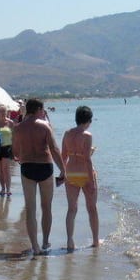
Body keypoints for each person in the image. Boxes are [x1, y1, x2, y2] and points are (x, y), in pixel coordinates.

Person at [11, 98, 65, 255]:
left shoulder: (18, 128)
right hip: (45, 167)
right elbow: (54, 149)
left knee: (30, 208)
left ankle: (34, 246)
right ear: (39, 110)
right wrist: (63, 169)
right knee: (46, 207)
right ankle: (45, 241)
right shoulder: (45, 126)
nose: (44, 113)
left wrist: (23, 155)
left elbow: (15, 152)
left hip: (27, 167)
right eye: (43, 110)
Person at [61, 105, 100, 250]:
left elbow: (63, 156)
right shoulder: (87, 135)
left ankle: (70, 241)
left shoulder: (67, 133)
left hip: (71, 172)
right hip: (85, 173)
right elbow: (87, 160)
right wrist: (91, 181)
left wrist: (62, 173)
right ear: (88, 120)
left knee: (72, 209)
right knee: (92, 208)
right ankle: (96, 241)